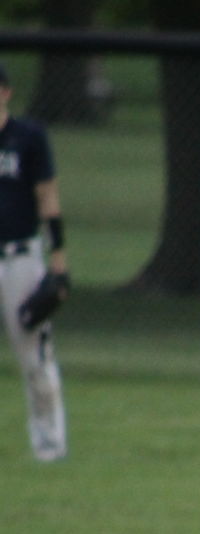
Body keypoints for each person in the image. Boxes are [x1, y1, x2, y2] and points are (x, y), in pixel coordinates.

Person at [0, 61, 70, 462]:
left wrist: (58, 257)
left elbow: (48, 197)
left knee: (34, 355)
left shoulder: (28, 138)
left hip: (21, 258)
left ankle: (49, 444)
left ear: (6, 92)